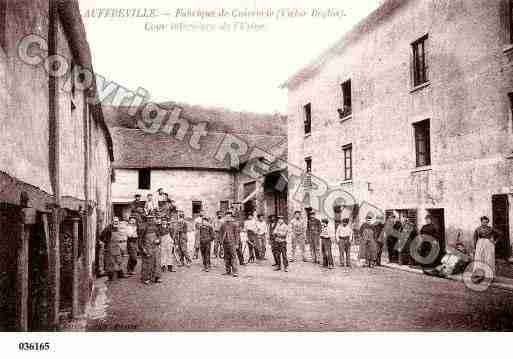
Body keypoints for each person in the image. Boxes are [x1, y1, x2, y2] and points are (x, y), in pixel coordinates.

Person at [472, 216, 500, 282]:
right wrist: (474, 247)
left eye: (486, 222)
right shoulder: (477, 229)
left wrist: (495, 241)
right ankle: (479, 275)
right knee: (479, 258)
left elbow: (500, 234)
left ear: (487, 222)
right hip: (480, 245)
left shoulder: (490, 229)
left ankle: (489, 275)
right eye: (483, 222)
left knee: (488, 259)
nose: (484, 223)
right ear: (481, 222)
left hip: (488, 245)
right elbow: (475, 238)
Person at [139, 215, 162, 284]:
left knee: (156, 263)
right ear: (147, 219)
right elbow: (140, 240)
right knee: (147, 264)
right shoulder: (143, 228)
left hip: (155, 248)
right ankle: (146, 278)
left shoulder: (156, 228)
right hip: (147, 248)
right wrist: (143, 249)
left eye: (152, 218)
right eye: (149, 219)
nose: (151, 220)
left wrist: (158, 240)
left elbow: (159, 236)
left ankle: (156, 277)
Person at [102, 217, 126, 281]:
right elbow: (102, 237)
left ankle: (120, 274)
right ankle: (111, 276)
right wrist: (107, 242)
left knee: (119, 260)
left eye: (117, 221)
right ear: (112, 221)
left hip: (117, 246)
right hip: (110, 246)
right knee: (111, 261)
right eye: (115, 221)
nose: (116, 222)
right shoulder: (108, 228)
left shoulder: (118, 228)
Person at [219, 211, 241, 277]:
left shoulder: (234, 225)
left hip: (232, 243)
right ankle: (228, 271)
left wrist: (237, 244)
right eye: (226, 216)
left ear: (231, 217)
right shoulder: (223, 225)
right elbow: (220, 234)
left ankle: (235, 272)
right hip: (225, 243)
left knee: (233, 257)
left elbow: (237, 235)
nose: (228, 217)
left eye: (229, 216)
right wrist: (221, 242)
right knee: (226, 257)